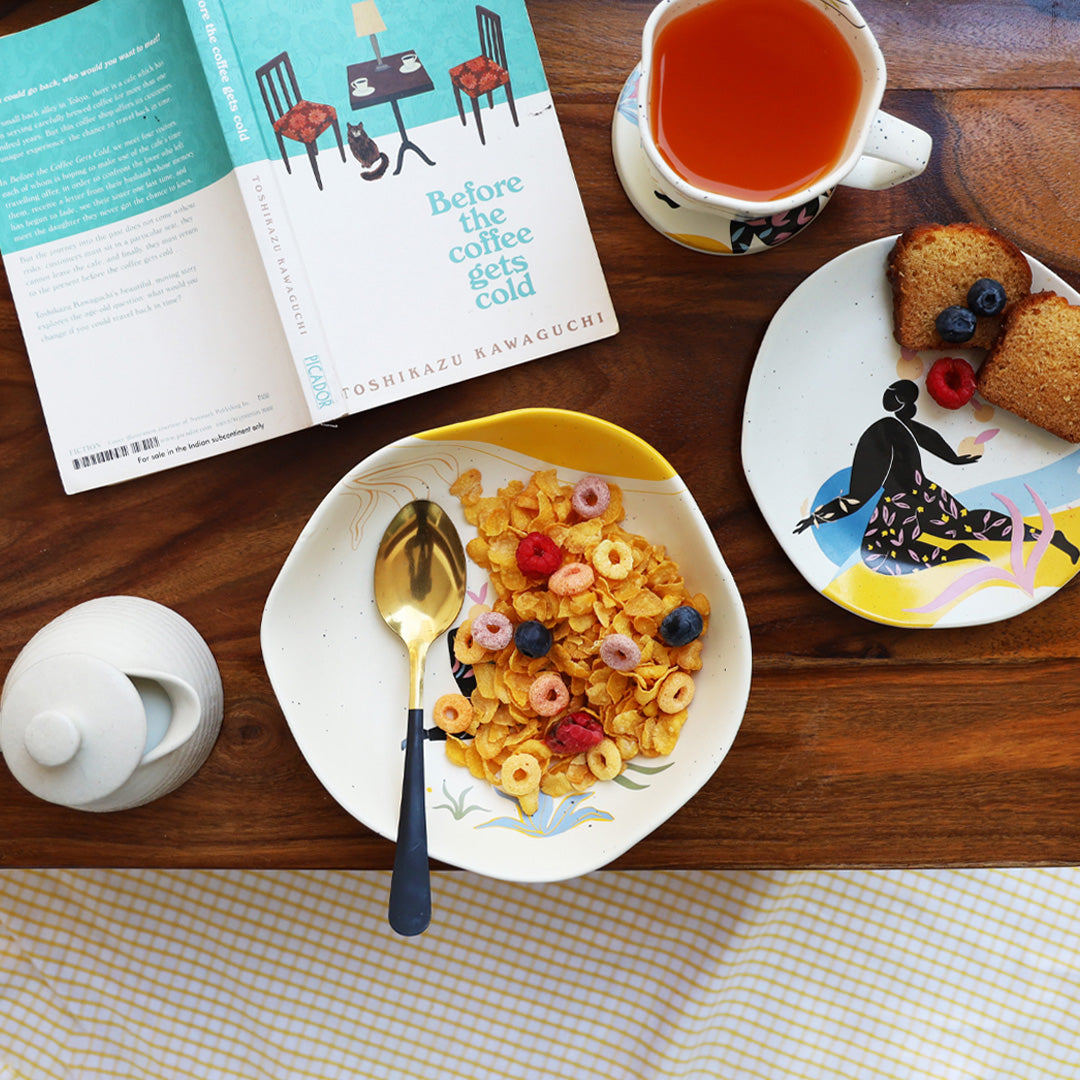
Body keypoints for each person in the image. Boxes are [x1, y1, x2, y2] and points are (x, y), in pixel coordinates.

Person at [794, 379, 1079, 574]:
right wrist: (954, 459)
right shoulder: (904, 425)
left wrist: (820, 516)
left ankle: (952, 555)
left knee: (876, 555)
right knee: (971, 524)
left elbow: (858, 495)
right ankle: (1047, 536)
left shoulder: (881, 430)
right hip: (928, 495)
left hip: (899, 507)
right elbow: (929, 439)